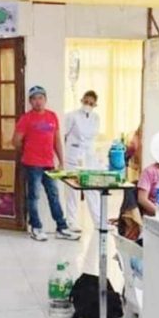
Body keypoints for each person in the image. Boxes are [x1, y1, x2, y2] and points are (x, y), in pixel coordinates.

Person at [12, 86, 80, 242]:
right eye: (34, 98)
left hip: (49, 164)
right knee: (34, 196)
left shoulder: (52, 117)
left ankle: (61, 228)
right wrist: (28, 148)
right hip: (32, 164)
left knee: (54, 196)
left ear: (45, 99)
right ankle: (36, 228)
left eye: (40, 98)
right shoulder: (26, 119)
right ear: (30, 101)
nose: (38, 101)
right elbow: (15, 141)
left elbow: (57, 140)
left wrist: (62, 161)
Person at [63, 90, 100, 231]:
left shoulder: (96, 118)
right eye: (86, 102)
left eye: (91, 103)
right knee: (72, 191)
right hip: (73, 156)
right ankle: (71, 222)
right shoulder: (71, 116)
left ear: (95, 104)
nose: (88, 105)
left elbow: (92, 137)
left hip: (89, 158)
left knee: (93, 190)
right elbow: (63, 134)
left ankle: (98, 221)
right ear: (81, 100)